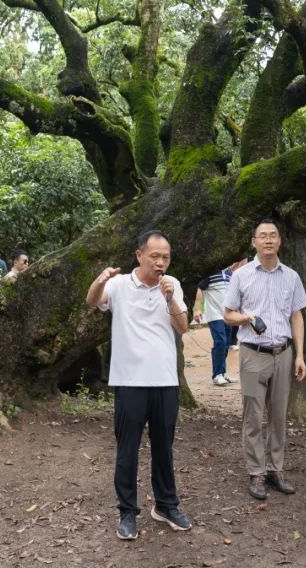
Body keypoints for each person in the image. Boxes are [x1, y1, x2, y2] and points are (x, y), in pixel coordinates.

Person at [86, 230, 192, 541]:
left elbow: (183, 327)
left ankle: (166, 505)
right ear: (139, 256)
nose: (160, 262)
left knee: (164, 449)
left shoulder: (172, 286)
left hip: (164, 380)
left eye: (166, 257)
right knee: (127, 450)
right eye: (155, 256)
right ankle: (127, 512)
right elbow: (92, 301)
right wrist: (100, 280)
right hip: (130, 381)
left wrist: (170, 297)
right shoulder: (119, 285)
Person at [223, 217, 306, 501]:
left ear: (280, 241)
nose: (268, 240)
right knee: (253, 416)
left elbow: (296, 315)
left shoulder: (291, 276)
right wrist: (247, 317)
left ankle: (276, 469)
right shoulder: (241, 276)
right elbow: (227, 314)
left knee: (279, 415)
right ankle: (256, 473)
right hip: (252, 353)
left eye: (273, 235)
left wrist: (300, 355)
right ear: (254, 241)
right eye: (263, 235)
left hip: (283, 353)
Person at [195, 257, 247, 386]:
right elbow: (200, 289)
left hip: (227, 315)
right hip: (214, 315)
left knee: (226, 344)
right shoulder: (210, 273)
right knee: (220, 342)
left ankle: (222, 373)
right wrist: (196, 309)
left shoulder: (230, 275)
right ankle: (217, 375)